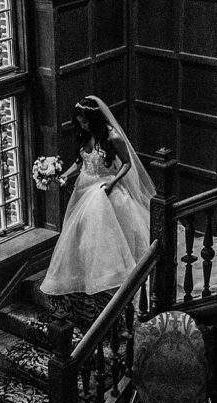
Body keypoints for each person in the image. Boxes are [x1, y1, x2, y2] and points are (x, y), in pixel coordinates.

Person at [40, 96, 156, 296]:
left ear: (95, 119)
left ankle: (108, 276)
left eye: (85, 121)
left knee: (102, 229)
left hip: (104, 187)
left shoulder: (113, 137)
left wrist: (113, 182)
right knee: (80, 231)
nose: (83, 125)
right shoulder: (86, 135)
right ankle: (84, 273)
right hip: (83, 185)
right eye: (80, 122)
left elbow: (127, 164)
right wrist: (64, 176)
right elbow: (81, 161)